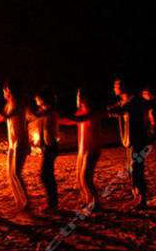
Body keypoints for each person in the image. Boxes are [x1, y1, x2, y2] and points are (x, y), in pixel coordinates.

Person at [107, 78, 149, 209]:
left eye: (116, 85)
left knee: (136, 168)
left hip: (139, 140)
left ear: (124, 87)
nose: (114, 88)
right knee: (132, 169)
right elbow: (114, 110)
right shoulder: (125, 102)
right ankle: (137, 196)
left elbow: (119, 109)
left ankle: (142, 198)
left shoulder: (134, 101)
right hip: (130, 141)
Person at [59, 88, 103, 210]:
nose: (77, 99)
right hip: (83, 149)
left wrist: (56, 114)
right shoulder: (81, 111)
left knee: (86, 177)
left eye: (79, 96)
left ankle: (95, 202)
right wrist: (56, 119)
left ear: (85, 98)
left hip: (92, 148)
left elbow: (79, 119)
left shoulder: (93, 112)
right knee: (80, 177)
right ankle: (88, 200)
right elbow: (70, 121)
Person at [0, 80, 31, 213]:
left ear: (9, 90)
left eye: (4, 90)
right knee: (11, 174)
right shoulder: (9, 104)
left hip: (20, 141)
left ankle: (27, 202)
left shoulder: (18, 103)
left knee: (16, 173)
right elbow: (0, 118)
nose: (3, 93)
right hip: (13, 143)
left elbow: (7, 116)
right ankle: (20, 202)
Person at [26, 86, 60, 213]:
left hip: (51, 146)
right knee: (47, 174)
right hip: (47, 146)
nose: (36, 100)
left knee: (46, 175)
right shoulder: (44, 111)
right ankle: (52, 202)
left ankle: (53, 203)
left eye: (37, 98)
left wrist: (25, 107)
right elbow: (34, 119)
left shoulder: (50, 111)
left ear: (43, 99)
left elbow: (35, 116)